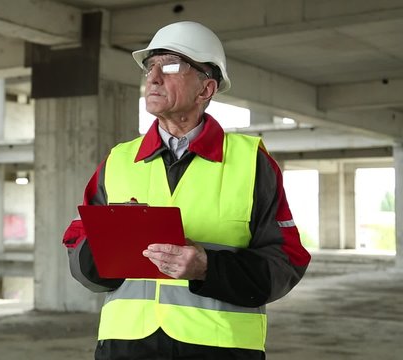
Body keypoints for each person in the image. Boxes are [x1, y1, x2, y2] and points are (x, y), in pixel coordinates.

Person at [62, 21, 311, 360]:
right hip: (126, 346)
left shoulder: (252, 163)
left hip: (220, 348)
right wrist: (106, 249)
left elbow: (286, 262)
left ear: (206, 89)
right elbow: (78, 248)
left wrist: (208, 268)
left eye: (171, 65)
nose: (153, 77)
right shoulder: (118, 160)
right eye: (151, 66)